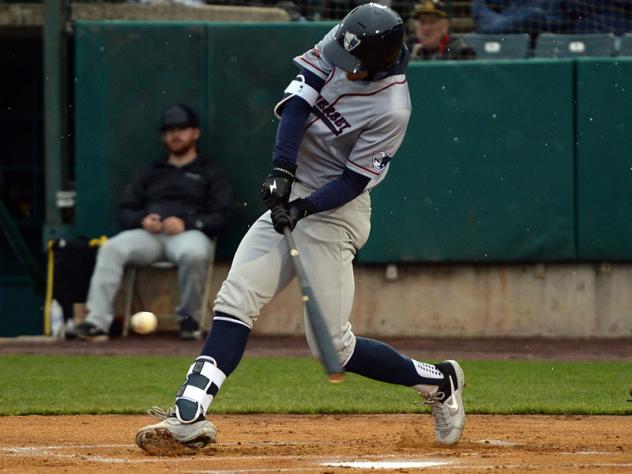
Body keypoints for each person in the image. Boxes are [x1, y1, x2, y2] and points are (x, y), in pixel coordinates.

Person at [134, 3, 465, 454]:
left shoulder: (392, 110)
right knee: (236, 299)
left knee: (333, 346)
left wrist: (305, 207)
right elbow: (296, 103)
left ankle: (439, 381)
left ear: (379, 62)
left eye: (354, 66)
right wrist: (282, 171)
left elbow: (352, 180)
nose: (342, 67)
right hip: (294, 193)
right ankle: (189, 412)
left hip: (334, 212)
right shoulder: (344, 40)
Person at [75, 104, 234, 341]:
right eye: (170, 130)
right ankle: (96, 322)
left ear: (195, 133)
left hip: (188, 235)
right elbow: (125, 211)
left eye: (182, 128)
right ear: (163, 136)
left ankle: (189, 320)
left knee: (195, 253)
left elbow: (224, 214)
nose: (175, 134)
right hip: (150, 236)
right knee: (111, 248)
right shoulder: (151, 170)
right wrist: (142, 220)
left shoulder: (209, 171)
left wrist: (188, 222)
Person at [410, 0, 476, 60]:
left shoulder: (461, 52)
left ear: (445, 26)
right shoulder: (407, 48)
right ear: (415, 27)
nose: (427, 28)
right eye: (422, 22)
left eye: (433, 22)